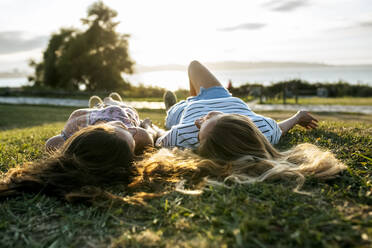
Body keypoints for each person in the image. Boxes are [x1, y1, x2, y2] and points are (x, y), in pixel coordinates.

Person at [157, 60, 318, 154]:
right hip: (220, 97)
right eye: (212, 117)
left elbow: (158, 138)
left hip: (185, 113)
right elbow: (281, 128)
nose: (201, 119)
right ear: (238, 121)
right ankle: (190, 99)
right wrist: (298, 116)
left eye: (201, 126)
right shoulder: (262, 131)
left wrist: (149, 127)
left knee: (174, 114)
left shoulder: (182, 135)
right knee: (194, 65)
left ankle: (175, 107)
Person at [46, 92, 163, 155]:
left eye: (124, 129)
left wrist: (68, 148)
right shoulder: (139, 135)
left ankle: (101, 105)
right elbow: (151, 133)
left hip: (94, 113)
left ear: (101, 131)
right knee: (123, 107)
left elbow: (51, 144)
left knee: (103, 107)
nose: (132, 130)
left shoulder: (76, 122)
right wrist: (146, 125)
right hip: (126, 113)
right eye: (132, 140)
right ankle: (115, 101)